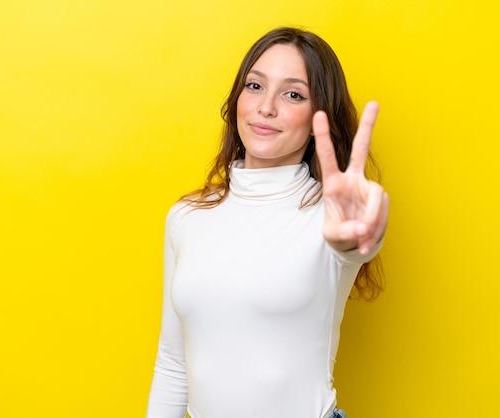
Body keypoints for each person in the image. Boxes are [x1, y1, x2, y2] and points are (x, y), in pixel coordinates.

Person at [146, 26, 389, 418]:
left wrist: (360, 237)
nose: (266, 107)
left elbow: (353, 246)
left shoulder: (331, 217)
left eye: (293, 94)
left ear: (318, 117)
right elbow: (173, 362)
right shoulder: (187, 217)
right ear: (237, 99)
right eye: (255, 86)